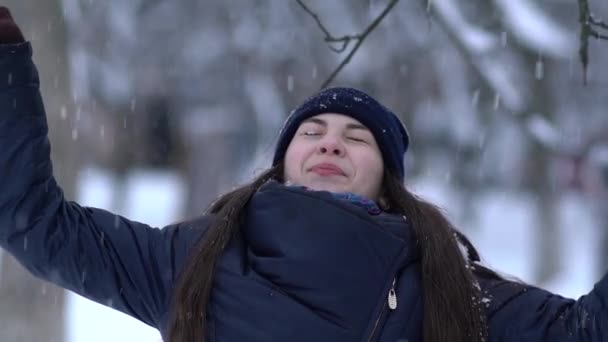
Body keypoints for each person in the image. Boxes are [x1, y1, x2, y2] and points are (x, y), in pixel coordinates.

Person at [0, 6, 606, 342]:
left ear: (387, 181)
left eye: (356, 137)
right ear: (283, 166)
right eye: (311, 132)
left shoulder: (445, 286)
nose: (330, 144)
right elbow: (36, 223)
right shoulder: (195, 262)